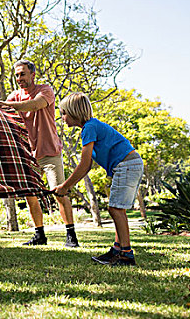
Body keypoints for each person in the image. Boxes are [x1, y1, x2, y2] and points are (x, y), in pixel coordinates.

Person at [0, 60, 79, 247]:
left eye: (22, 74)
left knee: (59, 192)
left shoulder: (45, 90)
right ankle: (39, 235)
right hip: (27, 155)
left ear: (32, 74)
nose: (19, 78)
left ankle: (71, 235)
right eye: (16, 75)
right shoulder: (14, 96)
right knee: (30, 195)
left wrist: (8, 105)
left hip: (49, 152)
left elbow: (35, 105)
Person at [54, 92, 143, 266]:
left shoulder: (89, 128)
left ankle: (126, 254)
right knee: (118, 209)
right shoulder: (91, 127)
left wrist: (65, 186)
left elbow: (84, 164)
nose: (62, 118)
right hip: (130, 164)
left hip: (127, 164)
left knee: (116, 209)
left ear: (74, 112)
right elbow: (87, 166)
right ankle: (118, 250)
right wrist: (66, 186)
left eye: (64, 113)